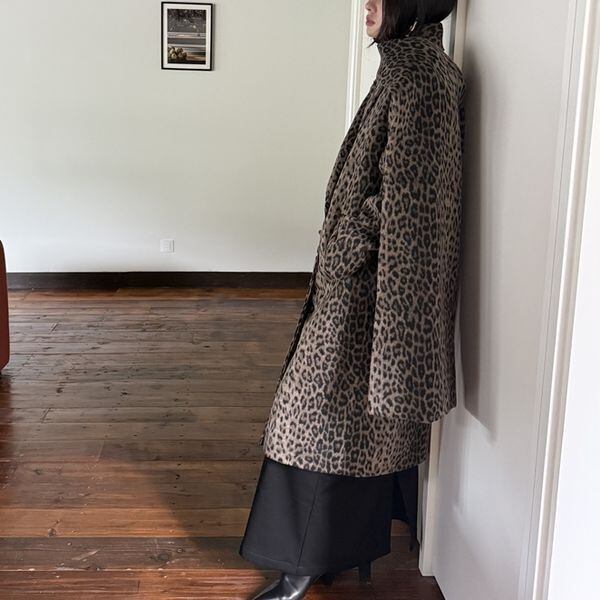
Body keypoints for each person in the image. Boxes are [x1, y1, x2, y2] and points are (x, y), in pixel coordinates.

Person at [239, 0, 466, 598]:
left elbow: (406, 196)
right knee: (336, 426)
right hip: (364, 285)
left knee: (315, 419)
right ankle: (321, 555)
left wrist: (345, 246)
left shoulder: (420, 78)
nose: (366, 3)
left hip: (374, 294)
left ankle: (302, 564)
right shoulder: (405, 66)